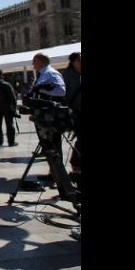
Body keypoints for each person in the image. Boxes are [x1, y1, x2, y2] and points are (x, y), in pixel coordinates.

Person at [29, 53, 66, 181]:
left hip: (51, 116)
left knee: (54, 146)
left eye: (34, 61)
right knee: (47, 146)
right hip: (43, 115)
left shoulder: (51, 73)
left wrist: (40, 89)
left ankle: (59, 176)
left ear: (40, 61)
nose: (32, 64)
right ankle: (53, 173)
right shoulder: (42, 74)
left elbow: (61, 91)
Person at [63, 52, 81, 176]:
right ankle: (75, 164)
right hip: (76, 113)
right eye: (79, 60)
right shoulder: (68, 75)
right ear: (73, 62)